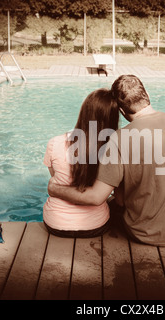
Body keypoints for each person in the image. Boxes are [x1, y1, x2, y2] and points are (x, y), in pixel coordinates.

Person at [48, 75, 165, 246]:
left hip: (146, 233)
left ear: (122, 111)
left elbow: (97, 197)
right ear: (147, 96)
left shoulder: (120, 138)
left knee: (113, 205)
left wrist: (55, 189)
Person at [43, 88, 119, 238]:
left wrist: (54, 189)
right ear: (112, 119)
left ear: (84, 112)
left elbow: (56, 179)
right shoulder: (114, 150)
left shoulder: (55, 143)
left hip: (55, 224)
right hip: (95, 225)